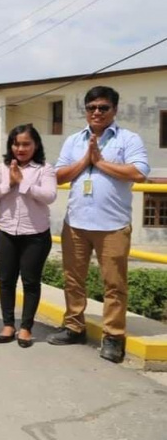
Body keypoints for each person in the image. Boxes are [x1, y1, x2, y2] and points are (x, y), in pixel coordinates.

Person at [47, 86, 149, 363]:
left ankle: (113, 336)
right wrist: (86, 160)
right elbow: (58, 176)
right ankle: (74, 327)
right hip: (76, 224)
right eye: (91, 107)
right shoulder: (74, 140)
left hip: (113, 225)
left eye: (103, 107)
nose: (97, 112)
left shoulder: (128, 139)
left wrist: (100, 162)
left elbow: (139, 172)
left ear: (114, 110)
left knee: (114, 284)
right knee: (73, 279)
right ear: (86, 110)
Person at [0, 124, 57, 347]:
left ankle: (26, 328)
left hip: (35, 234)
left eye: (26, 144)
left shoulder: (45, 168)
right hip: (6, 232)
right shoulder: (2, 168)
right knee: (6, 281)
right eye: (16, 143)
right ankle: (8, 324)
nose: (21, 148)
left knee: (30, 281)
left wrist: (23, 184)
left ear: (36, 145)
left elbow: (50, 196)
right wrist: (10, 184)